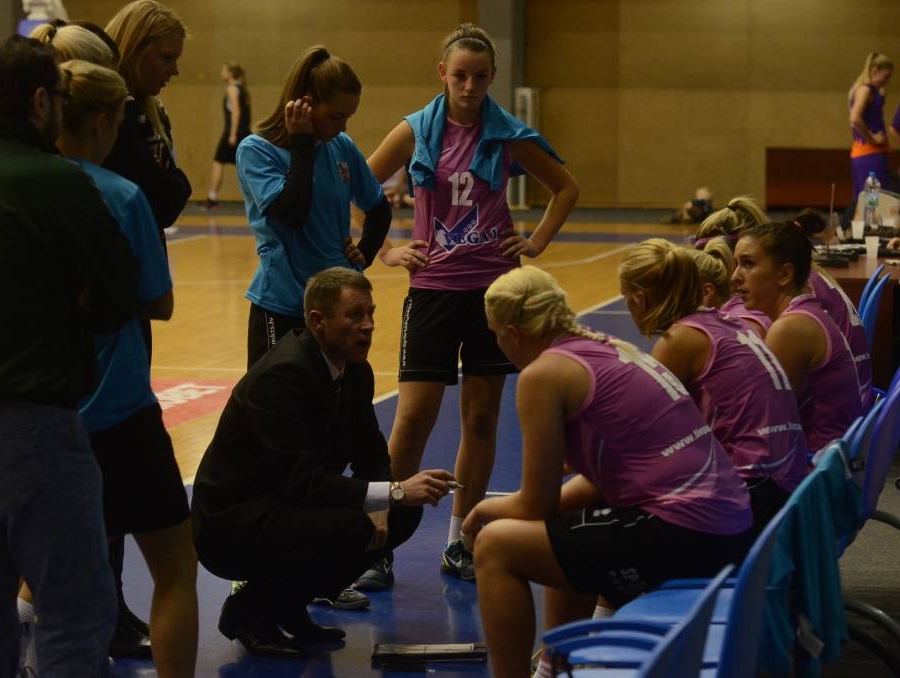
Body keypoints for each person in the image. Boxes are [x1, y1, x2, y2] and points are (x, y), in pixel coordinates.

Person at [0, 35, 139, 677]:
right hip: (29, 424)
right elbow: (121, 295)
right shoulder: (59, 182)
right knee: (75, 614)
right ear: (41, 102)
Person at [362, 22, 579, 586]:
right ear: (442, 73)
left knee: (481, 419)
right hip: (433, 289)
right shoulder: (415, 130)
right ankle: (379, 541)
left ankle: (461, 538)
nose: (469, 86)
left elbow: (565, 187)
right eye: (459, 75)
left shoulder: (508, 135)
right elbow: (358, 187)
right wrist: (385, 251)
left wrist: (535, 243)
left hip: (494, 295)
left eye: (480, 77)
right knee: (412, 418)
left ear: (492, 77)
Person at [462, 266, 752, 678]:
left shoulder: (543, 375)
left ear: (513, 333)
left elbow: (535, 504)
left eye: (495, 335)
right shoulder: (607, 346)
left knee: (495, 545)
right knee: (569, 529)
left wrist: (480, 511)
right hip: (727, 526)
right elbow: (579, 493)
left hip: (687, 533)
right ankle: (553, 668)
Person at [191, 268, 454, 658]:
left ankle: (290, 606)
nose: (368, 325)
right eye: (355, 315)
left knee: (399, 516)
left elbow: (371, 454)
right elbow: (303, 482)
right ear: (318, 321)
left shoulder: (356, 371)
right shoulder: (282, 376)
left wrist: (384, 501)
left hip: (284, 504)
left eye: (371, 313)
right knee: (352, 524)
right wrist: (394, 491)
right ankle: (248, 612)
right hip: (232, 522)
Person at [56, 59, 198, 677]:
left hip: (44, 413)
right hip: (118, 409)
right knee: (175, 568)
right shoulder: (120, 195)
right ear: (103, 121)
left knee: (55, 572)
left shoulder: (19, 189)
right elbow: (158, 301)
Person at [619, 239, 808, 529]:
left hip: (756, 494)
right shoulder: (727, 322)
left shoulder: (679, 340)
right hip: (789, 481)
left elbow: (636, 435)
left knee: (618, 488)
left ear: (640, 299)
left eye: (626, 298)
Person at [237, 46, 391, 368]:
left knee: (340, 396)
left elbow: (378, 207)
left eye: (348, 117)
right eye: (336, 116)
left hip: (337, 308)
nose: (343, 127)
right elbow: (292, 214)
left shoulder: (341, 146)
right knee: (278, 397)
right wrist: (302, 143)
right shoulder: (256, 151)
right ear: (305, 104)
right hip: (283, 304)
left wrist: (365, 252)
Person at [732, 213, 864, 452]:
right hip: (833, 453)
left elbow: (765, 421)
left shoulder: (790, 328)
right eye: (736, 264)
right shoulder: (803, 313)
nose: (735, 277)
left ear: (785, 274)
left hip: (820, 465)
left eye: (748, 264)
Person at [104, 0, 191, 235]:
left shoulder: (153, 112)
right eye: (167, 58)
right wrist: (180, 182)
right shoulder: (117, 113)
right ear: (134, 51)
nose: (175, 70)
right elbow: (165, 202)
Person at [690, 236, 770, 337]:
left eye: (748, 263)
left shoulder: (743, 317)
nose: (735, 277)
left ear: (707, 292)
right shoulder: (732, 311)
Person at [849, 52, 894, 204]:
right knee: (872, 203)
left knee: (873, 201)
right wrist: (872, 138)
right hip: (869, 156)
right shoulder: (865, 90)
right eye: (885, 77)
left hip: (873, 155)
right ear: (874, 70)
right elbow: (855, 118)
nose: (886, 81)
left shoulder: (872, 90)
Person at [207, 61, 251, 208]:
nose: (222, 73)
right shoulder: (242, 89)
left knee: (218, 161)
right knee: (246, 166)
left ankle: (212, 198)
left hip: (234, 133)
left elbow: (236, 112)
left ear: (231, 74)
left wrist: (232, 134)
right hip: (244, 132)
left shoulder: (232, 88)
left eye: (224, 70)